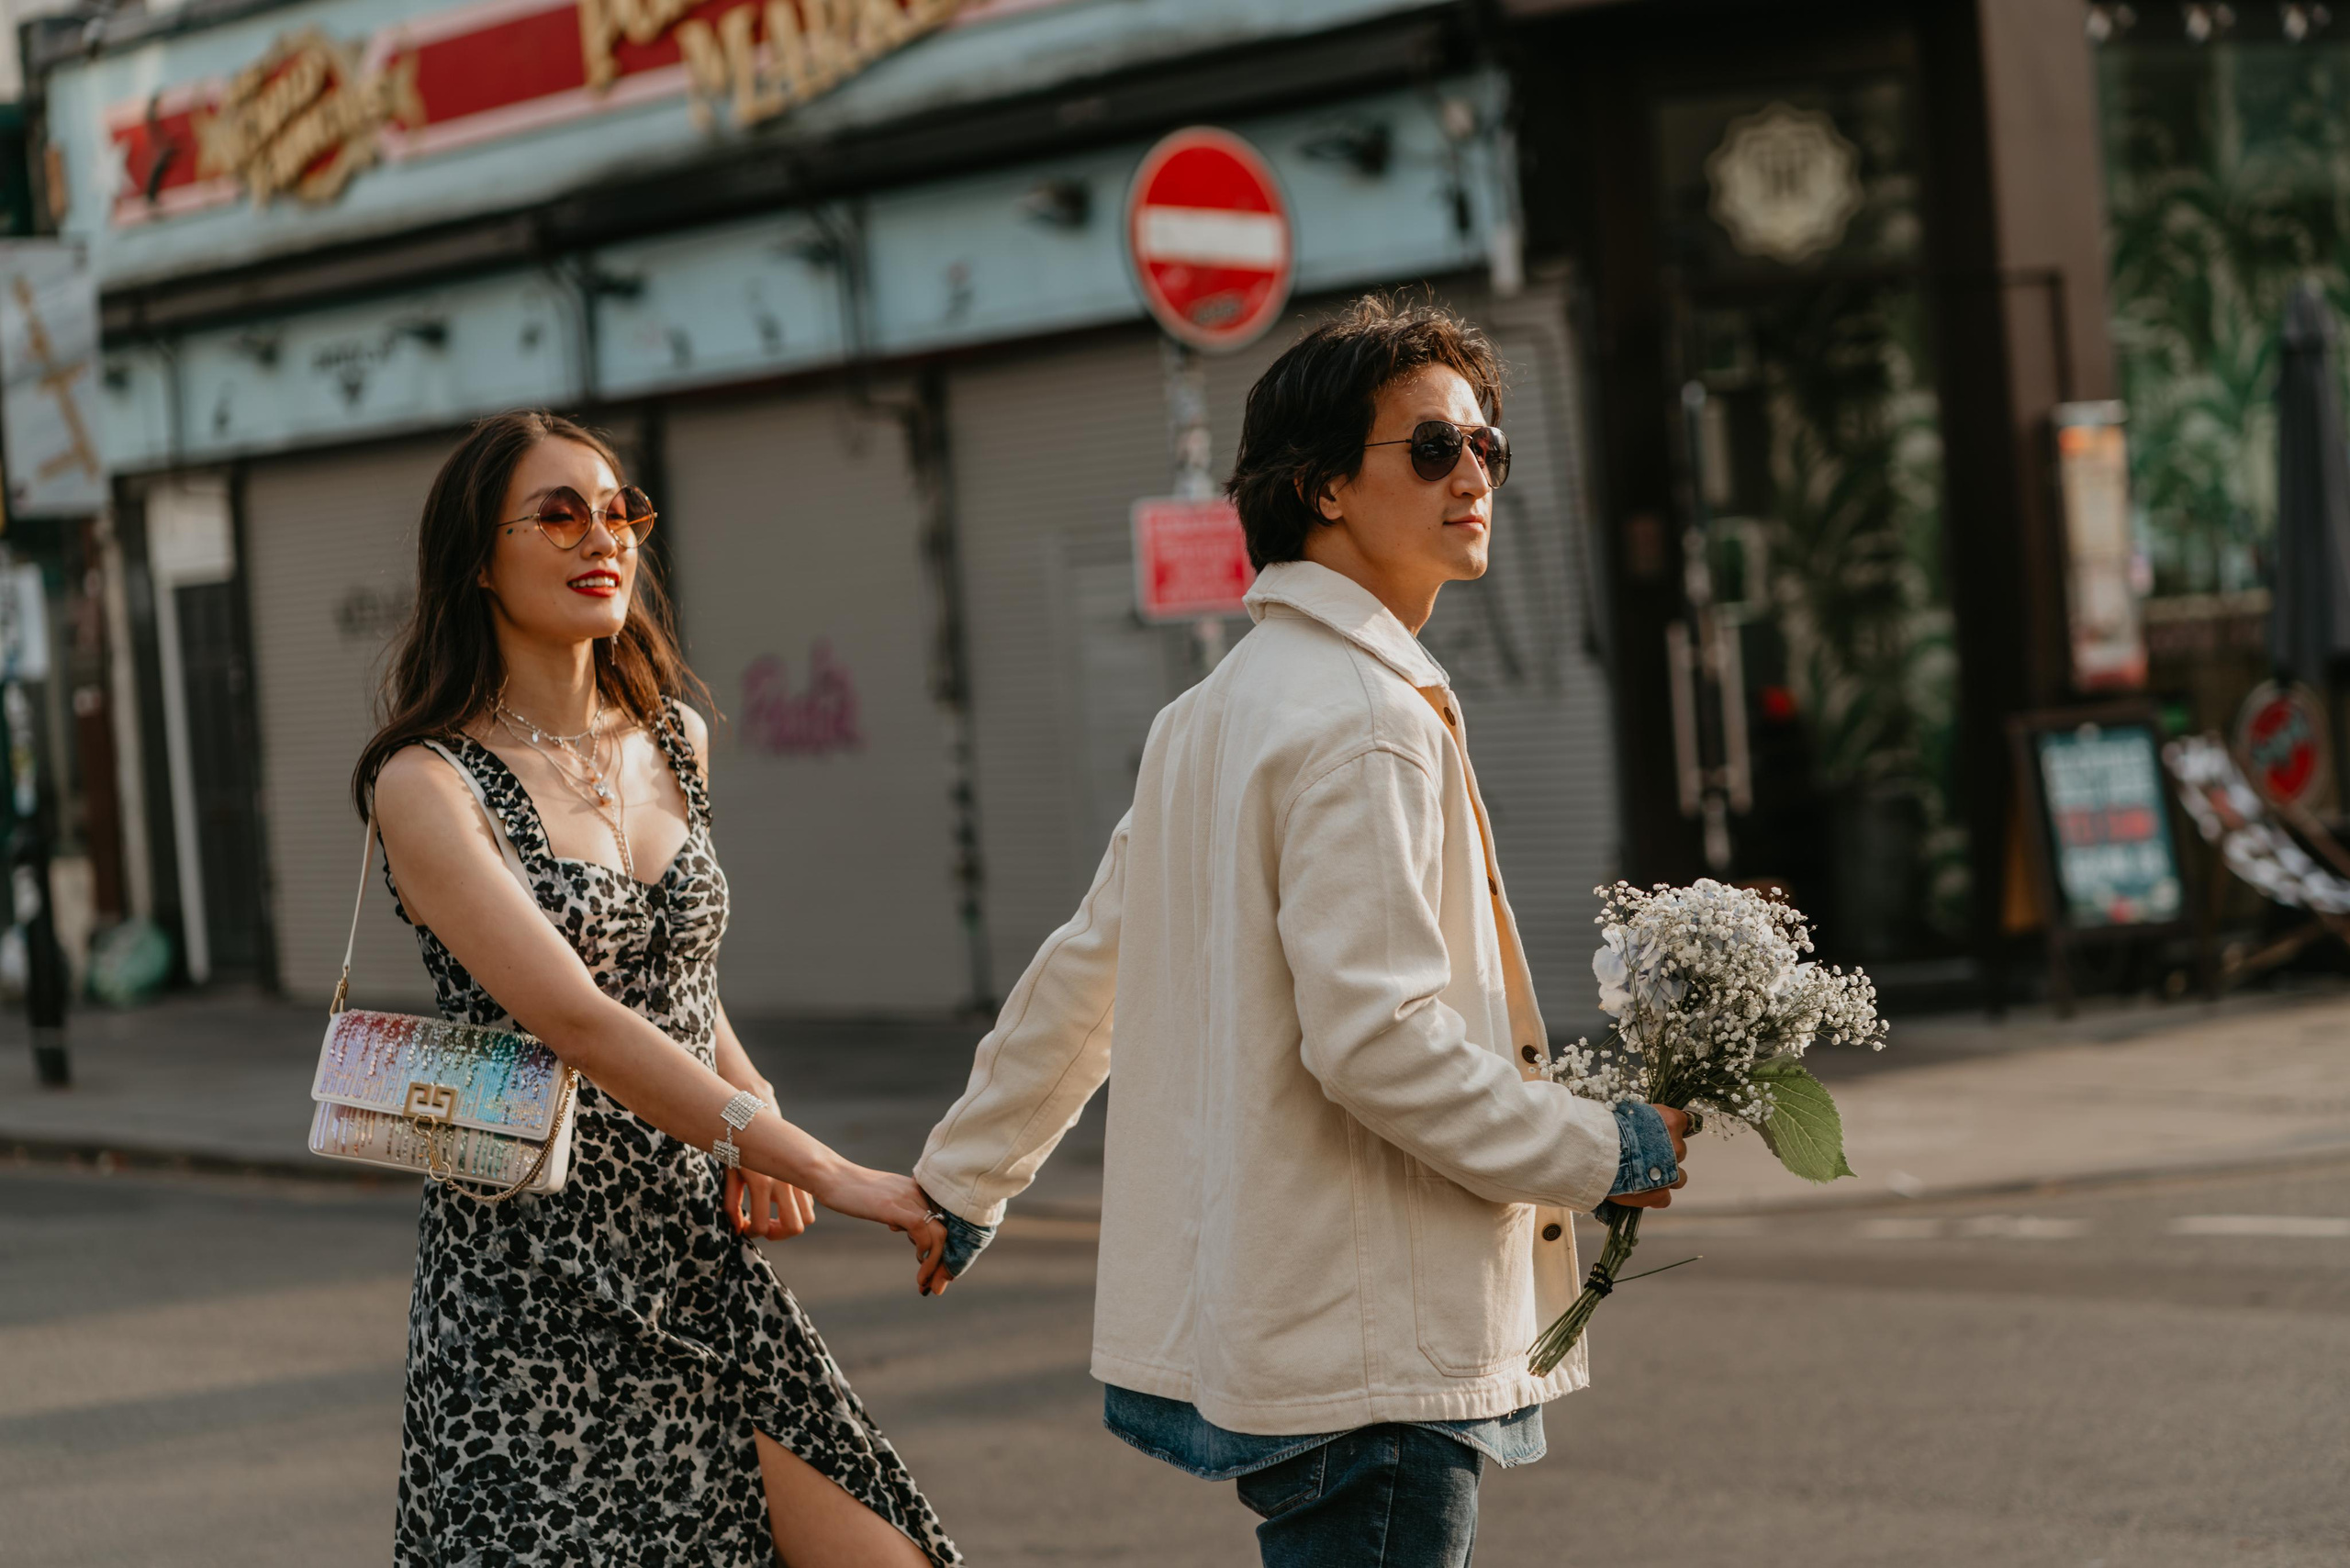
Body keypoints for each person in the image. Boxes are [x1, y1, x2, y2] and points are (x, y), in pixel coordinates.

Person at [911, 297, 1695, 1565]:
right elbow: (1378, 1044)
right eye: (1432, 449)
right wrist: (1600, 1148)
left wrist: (966, 1178)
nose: (1474, 475)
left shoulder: (1214, 711)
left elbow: (1090, 971)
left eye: (1487, 446)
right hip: (1366, 1352)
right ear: (1324, 484)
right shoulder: (1364, 718)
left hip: (1288, 1330)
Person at [355, 410, 960, 1568]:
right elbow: (578, 1016)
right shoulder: (427, 781)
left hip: (692, 1244)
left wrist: (749, 1103)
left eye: (619, 507)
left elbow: (679, 978)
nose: (606, 535)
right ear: (477, 560)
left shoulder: (673, 735)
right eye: (559, 512)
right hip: (534, 1276)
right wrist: (819, 1164)